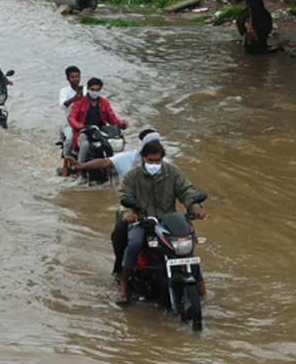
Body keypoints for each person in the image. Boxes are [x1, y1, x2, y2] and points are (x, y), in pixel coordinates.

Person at [115, 140, 205, 303]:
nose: (154, 164)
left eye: (158, 161)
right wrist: (129, 213)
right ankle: (123, 283)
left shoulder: (173, 172)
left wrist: (195, 208)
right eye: (150, 161)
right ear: (143, 158)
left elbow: (186, 191)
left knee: (188, 246)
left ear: (163, 159)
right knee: (134, 243)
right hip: (143, 221)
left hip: (169, 221)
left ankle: (202, 289)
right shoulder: (132, 176)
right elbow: (124, 196)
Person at [63, 129, 162, 276]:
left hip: (158, 211)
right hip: (131, 210)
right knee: (120, 235)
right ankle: (120, 272)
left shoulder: (166, 165)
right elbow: (104, 163)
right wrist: (82, 166)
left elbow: (182, 187)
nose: (154, 162)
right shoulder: (128, 162)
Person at [66, 76, 128, 167]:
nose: (95, 92)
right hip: (84, 130)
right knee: (85, 145)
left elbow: (112, 118)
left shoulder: (104, 102)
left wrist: (121, 123)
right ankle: (80, 167)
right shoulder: (80, 103)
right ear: (88, 89)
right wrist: (76, 124)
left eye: (97, 90)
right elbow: (71, 117)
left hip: (100, 131)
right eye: (92, 89)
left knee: (114, 143)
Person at [58, 65, 83, 158]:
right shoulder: (64, 91)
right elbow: (62, 106)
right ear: (67, 79)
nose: (75, 79)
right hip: (69, 124)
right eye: (72, 77)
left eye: (77, 76)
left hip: (84, 122)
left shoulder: (85, 90)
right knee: (70, 139)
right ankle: (66, 162)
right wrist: (74, 99)